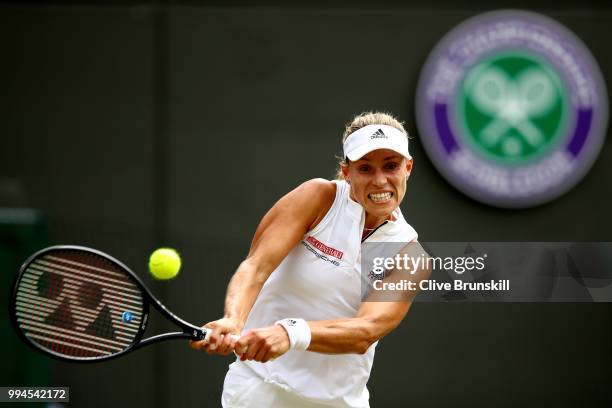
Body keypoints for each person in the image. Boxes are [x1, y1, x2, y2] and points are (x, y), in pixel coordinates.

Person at [189, 112, 426, 407]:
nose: (380, 181)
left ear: (408, 168)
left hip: (340, 402)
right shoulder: (317, 198)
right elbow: (257, 266)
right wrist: (233, 319)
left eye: (391, 166)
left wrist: (290, 333)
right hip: (260, 389)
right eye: (365, 168)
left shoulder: (409, 255)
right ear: (347, 171)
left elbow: (366, 330)